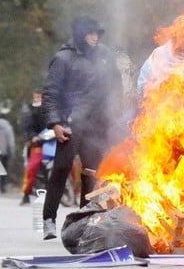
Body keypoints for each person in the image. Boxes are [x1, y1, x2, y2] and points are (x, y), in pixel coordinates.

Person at [40, 16, 124, 240]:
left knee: (92, 174)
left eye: (98, 34)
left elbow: (116, 85)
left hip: (97, 126)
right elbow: (50, 95)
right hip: (70, 125)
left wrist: (114, 113)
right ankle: (49, 220)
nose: (95, 38)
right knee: (60, 170)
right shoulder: (63, 58)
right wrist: (55, 123)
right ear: (80, 34)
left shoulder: (105, 56)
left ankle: (84, 222)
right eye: (91, 33)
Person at [21, 90, 49, 205]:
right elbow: (28, 127)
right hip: (37, 144)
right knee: (32, 168)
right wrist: (32, 137)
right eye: (35, 97)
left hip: (51, 143)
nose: (36, 99)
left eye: (39, 97)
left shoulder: (50, 110)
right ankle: (26, 194)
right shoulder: (30, 111)